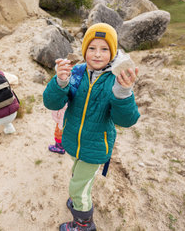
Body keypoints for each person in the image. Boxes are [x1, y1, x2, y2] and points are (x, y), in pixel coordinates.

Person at [43, 23, 140, 231]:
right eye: (92, 48)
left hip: (95, 147)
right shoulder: (76, 72)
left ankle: (84, 223)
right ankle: (80, 202)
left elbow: (127, 120)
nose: (97, 54)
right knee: (77, 176)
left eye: (104, 49)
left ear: (113, 52)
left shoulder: (116, 80)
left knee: (77, 188)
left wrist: (124, 93)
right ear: (84, 49)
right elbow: (52, 103)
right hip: (73, 141)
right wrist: (60, 82)